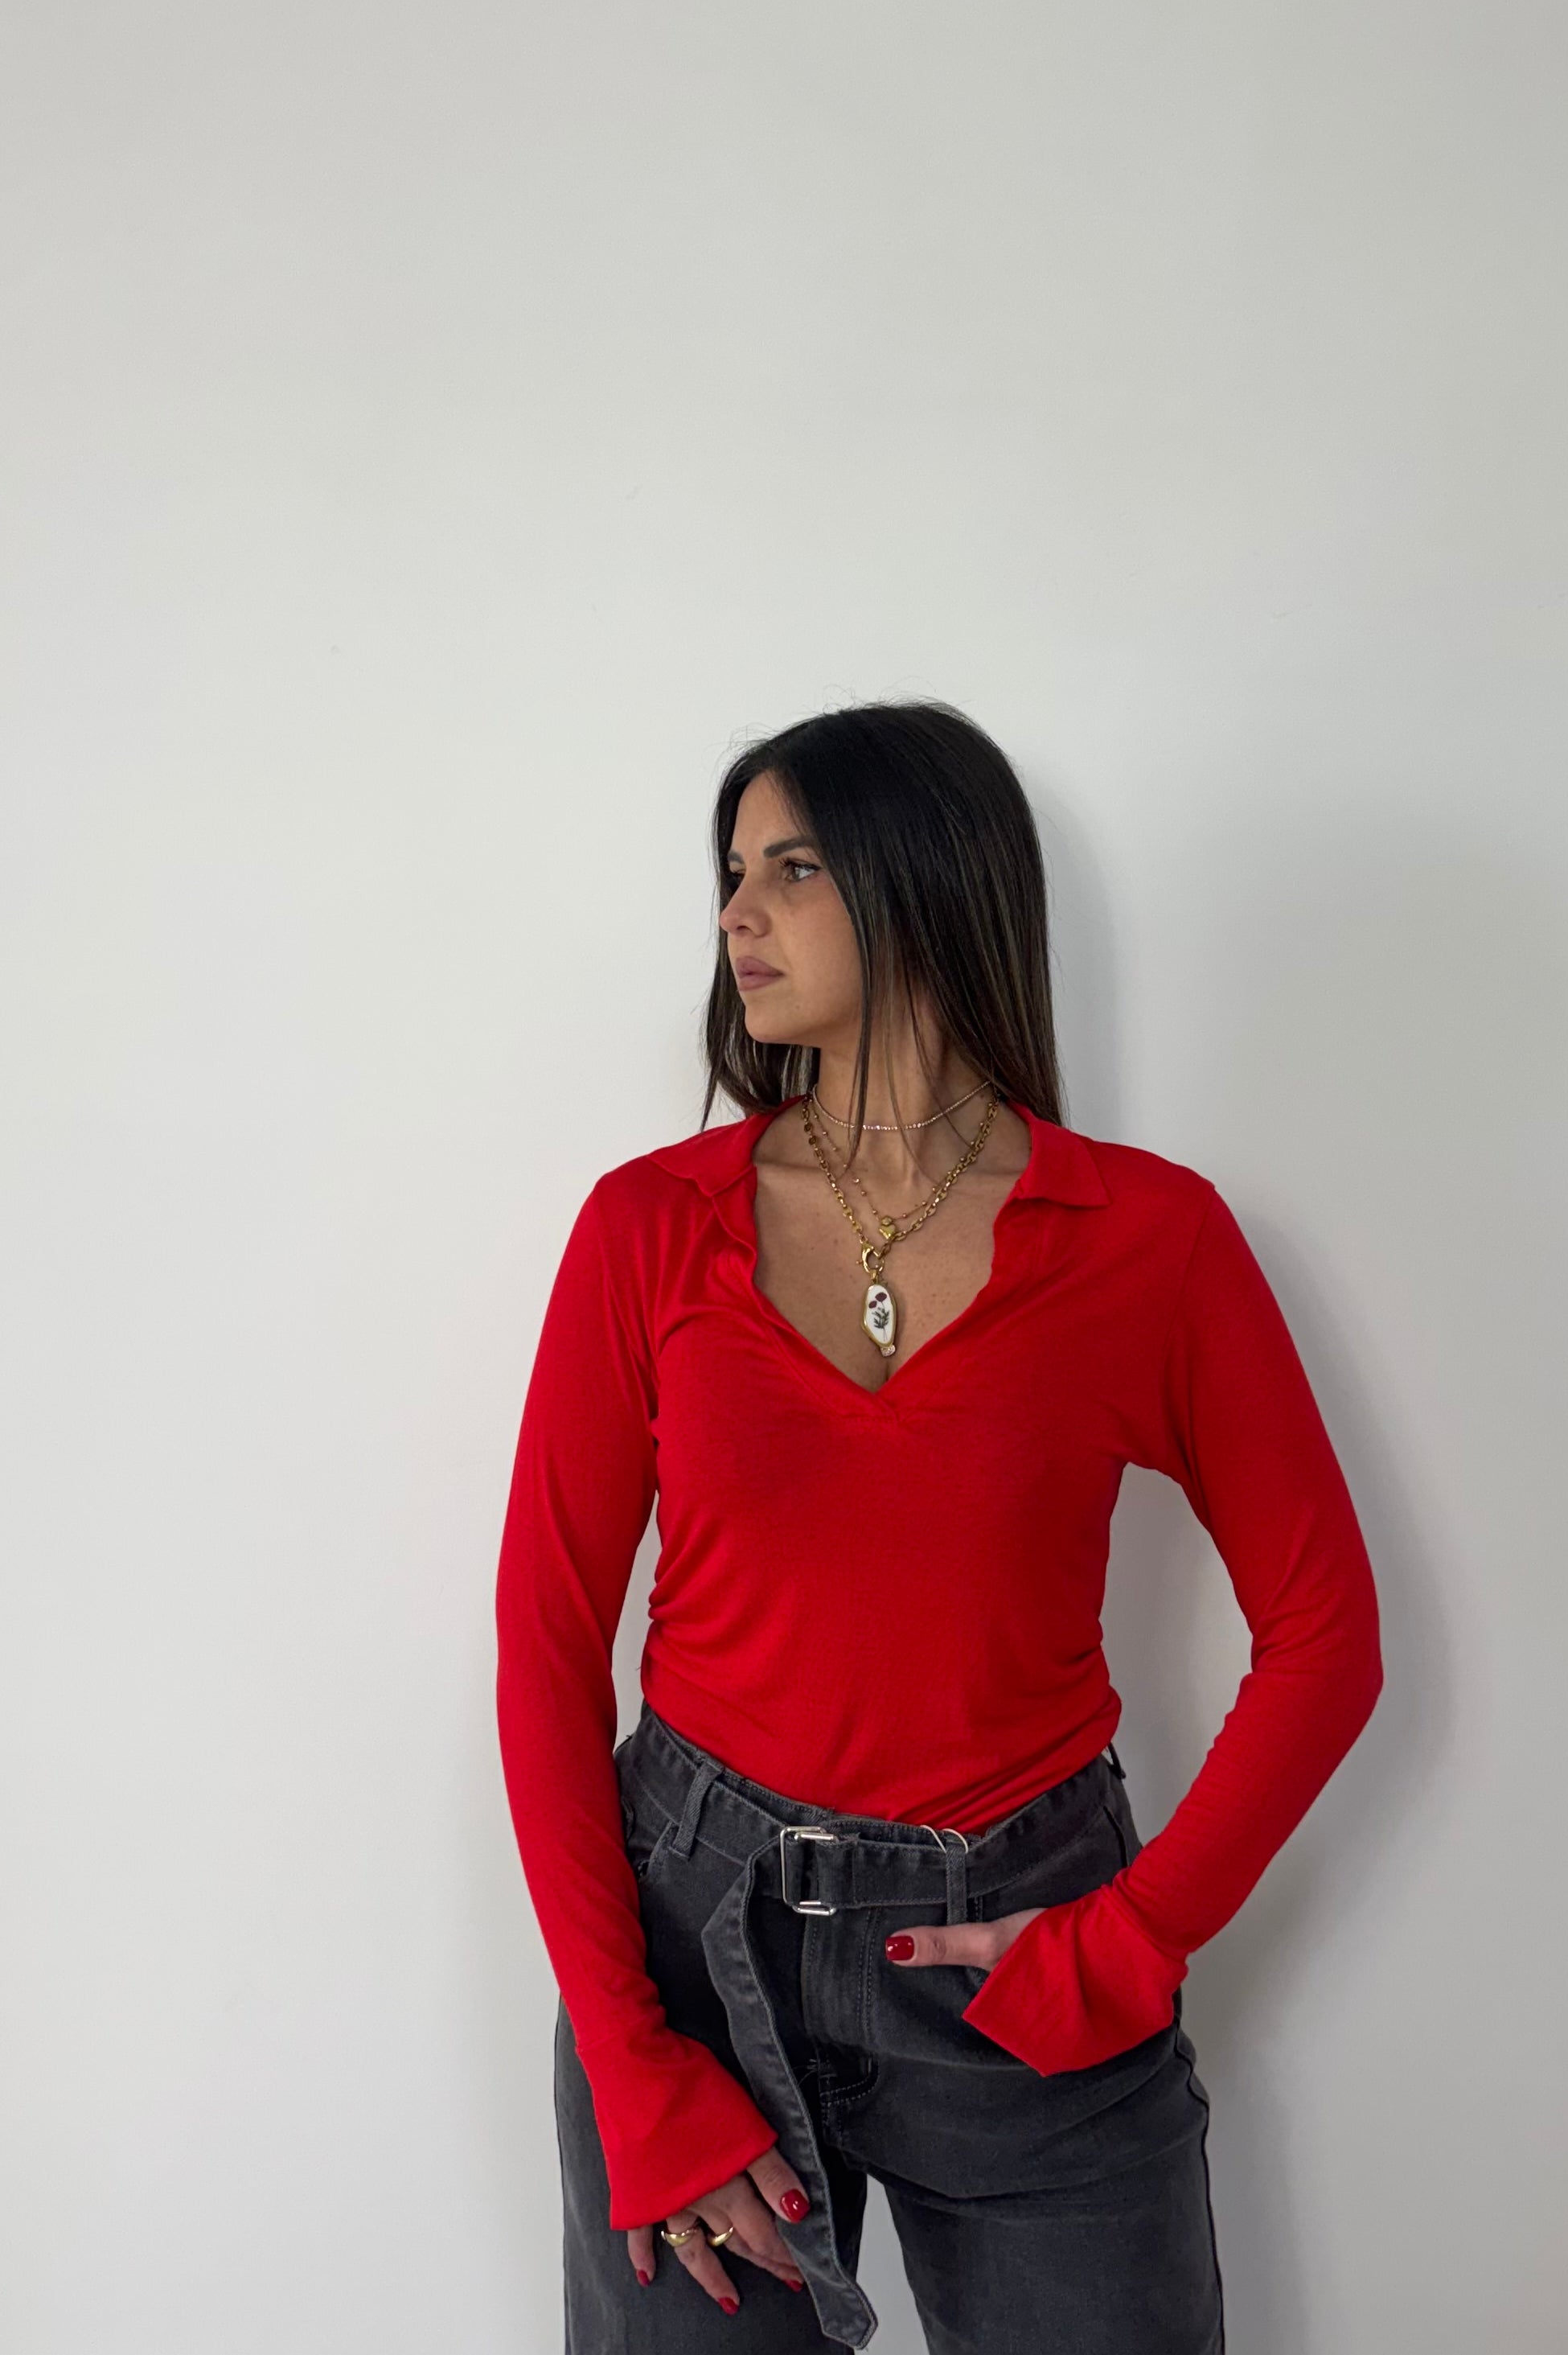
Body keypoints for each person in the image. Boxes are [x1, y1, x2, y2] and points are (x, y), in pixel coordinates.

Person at [495, 698, 1384, 2353]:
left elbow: (1328, 1637)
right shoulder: (648, 1228)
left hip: (1026, 1951)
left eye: (793, 868)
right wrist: (631, 2062)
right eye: (730, 873)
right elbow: (548, 1643)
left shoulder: (1150, 1238)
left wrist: (1131, 1941)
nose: (737, 913)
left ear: (925, 876)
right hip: (696, 1949)